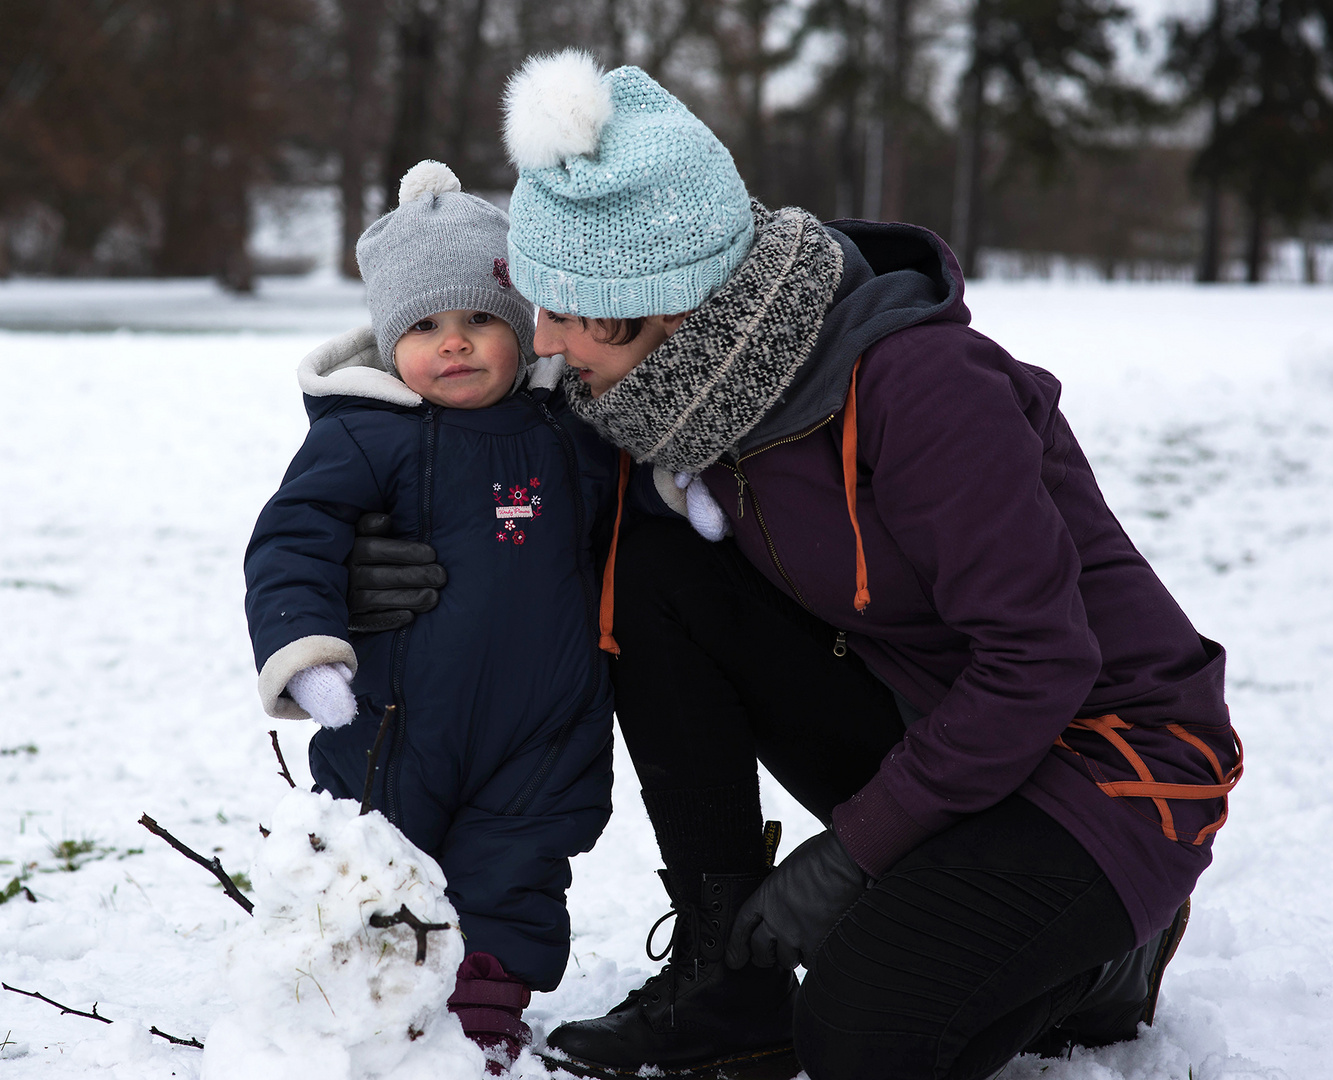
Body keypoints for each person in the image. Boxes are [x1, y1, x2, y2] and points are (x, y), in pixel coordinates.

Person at [482, 50, 1243, 1080]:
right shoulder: (678, 395)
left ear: (673, 300)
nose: (549, 343)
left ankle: (1101, 959)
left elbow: (1036, 665)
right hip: (937, 718)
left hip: (1101, 763)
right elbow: (517, 487)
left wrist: (852, 854)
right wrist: (377, 541)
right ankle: (728, 976)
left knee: (860, 1039)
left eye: (570, 311)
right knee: (655, 565)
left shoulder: (923, 389)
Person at [243, 160, 620, 1069]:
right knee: (378, 867)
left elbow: (635, 484)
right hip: (391, 723)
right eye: (425, 326)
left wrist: (687, 493)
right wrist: (307, 650)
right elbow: (293, 536)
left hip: (543, 722)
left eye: (480, 320)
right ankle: (372, 1000)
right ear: (386, 338)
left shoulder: (569, 425)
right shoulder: (360, 432)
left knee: (516, 864)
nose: (454, 344)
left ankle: (485, 1010)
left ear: (523, 326)